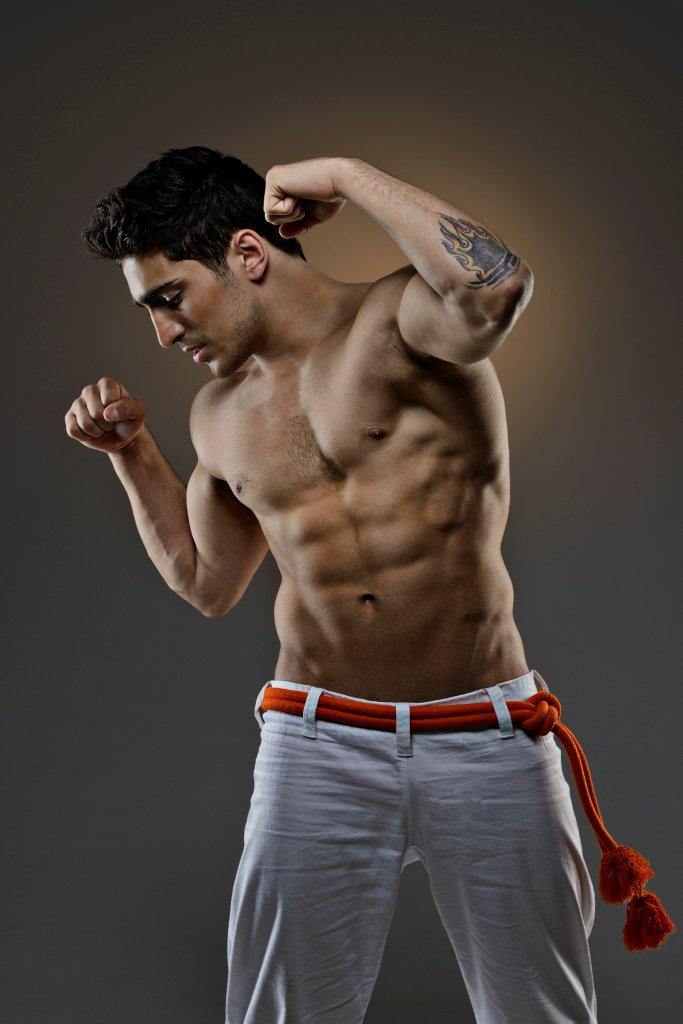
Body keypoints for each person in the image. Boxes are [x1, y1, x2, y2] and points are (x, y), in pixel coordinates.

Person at [68, 145, 597, 1022]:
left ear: (248, 253)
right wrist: (130, 454)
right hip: (317, 746)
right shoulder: (218, 412)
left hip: (486, 737)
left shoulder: (402, 323)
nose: (163, 332)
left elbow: (495, 288)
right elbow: (206, 582)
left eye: (169, 297)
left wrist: (348, 175)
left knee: (539, 1012)